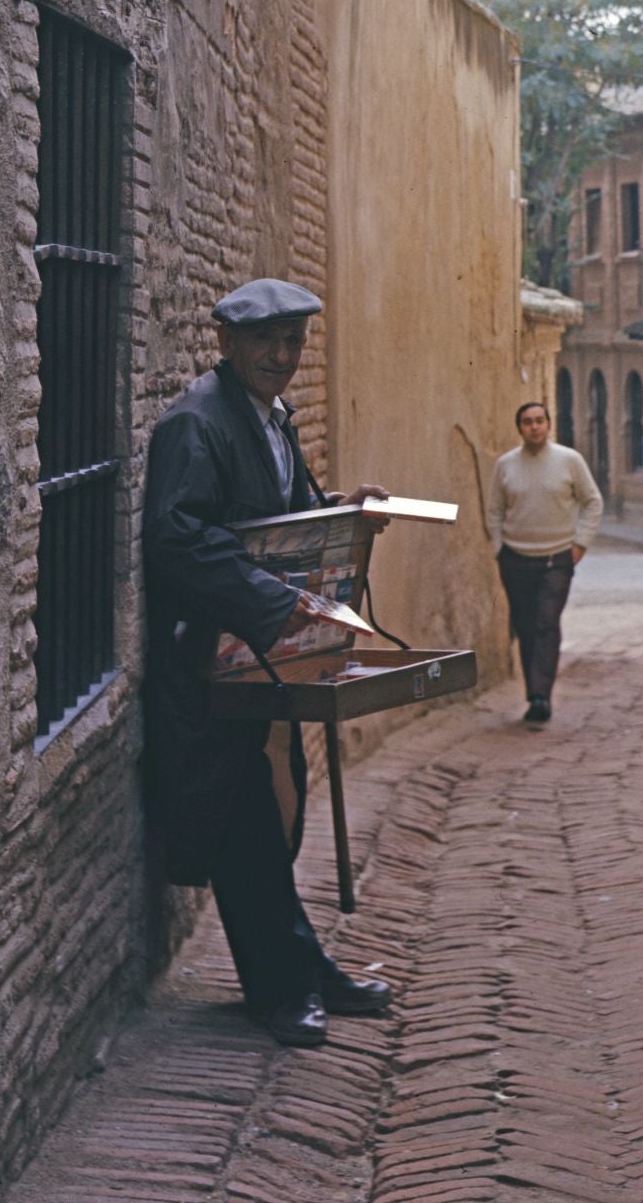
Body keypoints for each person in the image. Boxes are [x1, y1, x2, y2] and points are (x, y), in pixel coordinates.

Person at [141, 277, 392, 1048]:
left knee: (263, 820)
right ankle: (280, 991)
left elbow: (280, 520)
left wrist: (344, 512)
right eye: (267, 342)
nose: (284, 357)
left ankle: (301, 969)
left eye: (294, 342)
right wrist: (263, 599)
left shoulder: (268, 418)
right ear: (226, 342)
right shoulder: (195, 425)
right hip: (210, 667)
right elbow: (179, 539)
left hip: (261, 660)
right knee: (244, 824)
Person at [485, 400, 602, 725]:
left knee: (546, 623)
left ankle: (541, 696)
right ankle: (533, 691)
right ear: (519, 427)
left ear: (548, 424)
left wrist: (580, 544)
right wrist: (498, 547)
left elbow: (592, 502)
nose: (534, 426)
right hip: (516, 558)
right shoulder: (506, 464)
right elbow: (494, 509)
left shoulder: (569, 460)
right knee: (525, 626)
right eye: (527, 422)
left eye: (539, 420)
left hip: (557, 559)